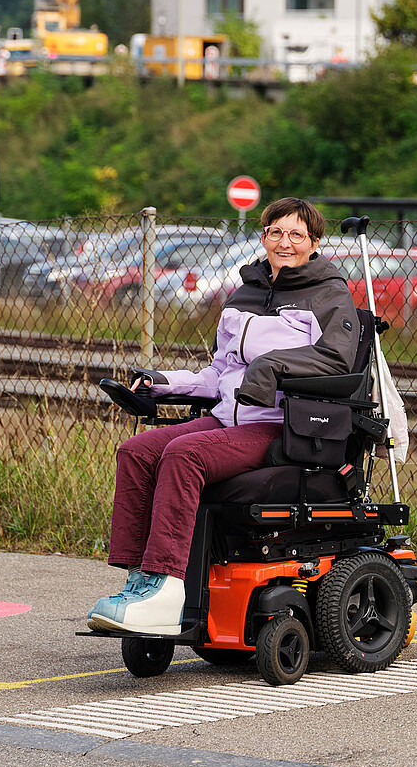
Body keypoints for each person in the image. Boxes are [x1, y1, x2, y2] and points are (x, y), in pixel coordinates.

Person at [87, 197, 360, 634]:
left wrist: (272, 367)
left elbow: (336, 359)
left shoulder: (328, 293)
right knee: (136, 451)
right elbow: (219, 372)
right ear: (264, 234)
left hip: (280, 425)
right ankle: (140, 579)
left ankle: (167, 585)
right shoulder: (244, 294)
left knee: (184, 454)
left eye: (296, 234)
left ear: (313, 242)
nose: (284, 242)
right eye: (275, 231)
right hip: (227, 417)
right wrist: (161, 382)